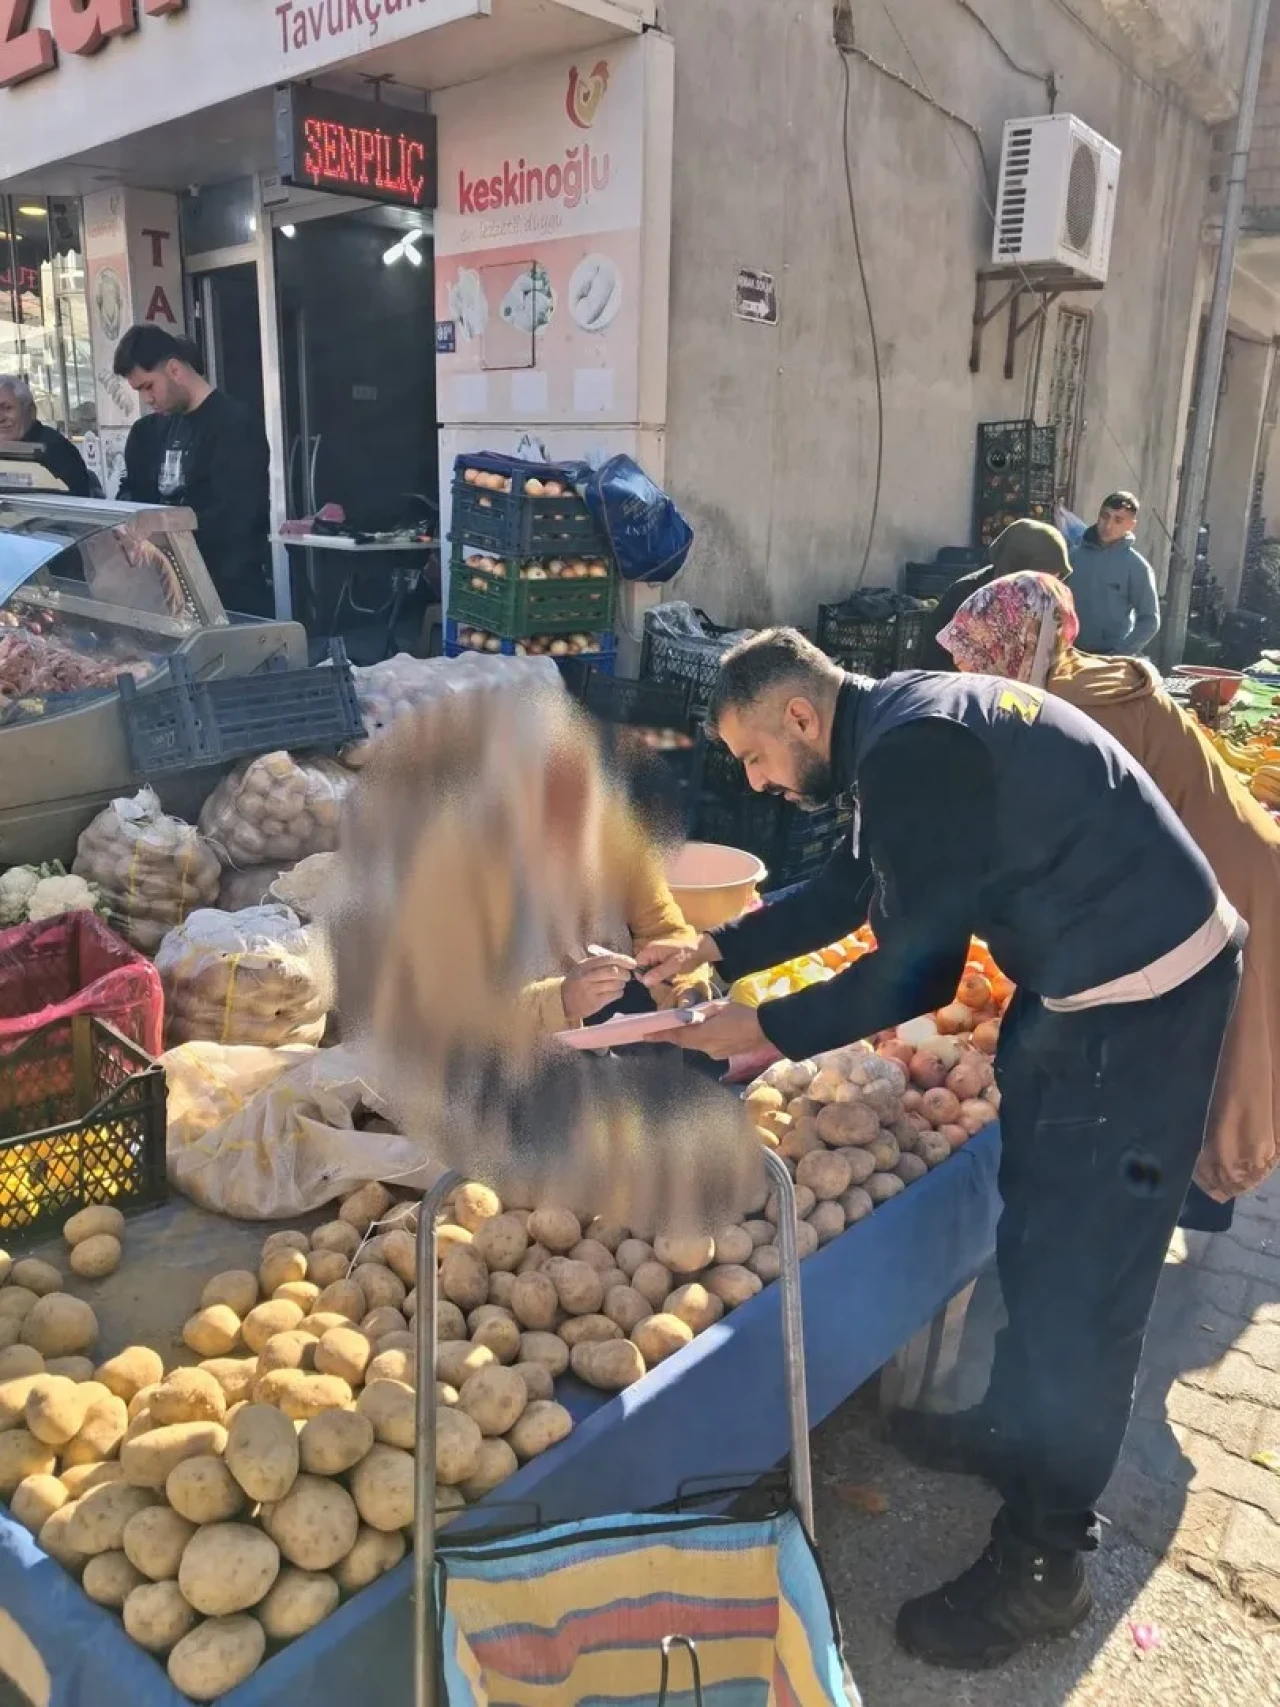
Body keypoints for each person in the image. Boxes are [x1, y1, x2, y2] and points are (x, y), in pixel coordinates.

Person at [637, 628, 1242, 1671]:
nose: (755, 782)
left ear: (796, 717)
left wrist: (753, 1030)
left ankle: (1045, 1564)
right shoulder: (894, 729)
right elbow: (850, 892)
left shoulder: (910, 744)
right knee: (1032, 1213)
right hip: (1075, 981)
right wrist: (715, 948)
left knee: (1083, 1280)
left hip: (1142, 997)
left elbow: (914, 974)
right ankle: (1014, 1425)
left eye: (751, 759)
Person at [937, 568, 1279, 1228]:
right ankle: (1176, 1209)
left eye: (977, 656)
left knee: (1218, 1050)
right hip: (1228, 859)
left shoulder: (1074, 708)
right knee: (1211, 1043)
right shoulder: (1068, 678)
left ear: (1015, 642)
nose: (968, 673)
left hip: (1225, 876)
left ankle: (1178, 1214)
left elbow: (1077, 839)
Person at [113, 325, 270, 615]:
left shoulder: (234, 425)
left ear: (174, 369)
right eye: (139, 391)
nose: (147, 399)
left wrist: (166, 529)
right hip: (165, 588)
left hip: (229, 595)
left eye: (148, 386)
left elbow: (239, 517)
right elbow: (132, 492)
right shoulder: (147, 431)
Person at [917, 519, 1072, 671]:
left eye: (1056, 578)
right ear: (1017, 564)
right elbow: (936, 662)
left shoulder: (1047, 601)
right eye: (1044, 576)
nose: (1050, 586)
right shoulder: (969, 596)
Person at [1068, 490, 1160, 655]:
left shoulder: (1137, 567)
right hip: (1069, 654)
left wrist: (1119, 654)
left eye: (1118, 520)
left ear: (1131, 525)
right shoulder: (1072, 557)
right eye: (1105, 516)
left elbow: (1150, 620)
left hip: (1110, 659)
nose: (1108, 525)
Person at [0, 374, 94, 497]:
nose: (1, 418)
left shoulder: (53, 449)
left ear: (31, 411)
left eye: (7, 408)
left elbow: (73, 505)